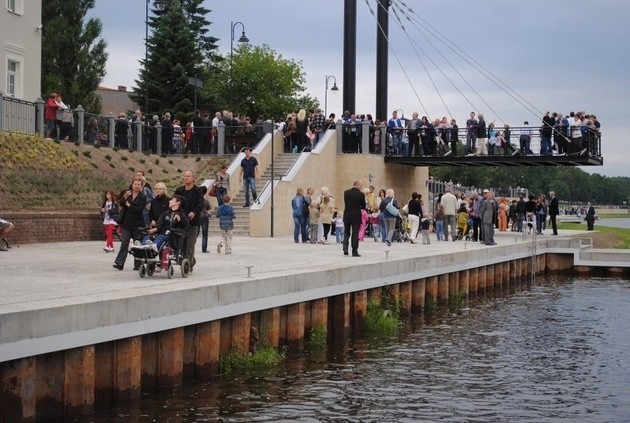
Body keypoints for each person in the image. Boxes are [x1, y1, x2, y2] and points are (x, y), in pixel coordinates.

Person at [113, 177, 147, 270]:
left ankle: (138, 264)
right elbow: (120, 203)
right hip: (126, 223)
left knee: (137, 245)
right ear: (132, 184)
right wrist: (125, 197)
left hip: (137, 224)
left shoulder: (143, 197)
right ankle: (119, 263)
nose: (136, 186)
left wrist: (129, 205)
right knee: (124, 243)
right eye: (135, 184)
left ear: (141, 186)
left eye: (138, 185)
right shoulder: (127, 193)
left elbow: (138, 209)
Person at [174, 170, 204, 270]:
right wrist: (177, 213)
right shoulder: (179, 190)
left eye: (188, 176)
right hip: (181, 223)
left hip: (193, 223)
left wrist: (194, 212)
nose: (186, 178)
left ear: (193, 178)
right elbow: (174, 203)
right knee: (181, 246)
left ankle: (188, 267)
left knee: (190, 246)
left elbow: (200, 204)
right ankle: (191, 261)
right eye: (185, 176)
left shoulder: (197, 191)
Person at [343, 180, 366, 256]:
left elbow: (346, 203)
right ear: (358, 185)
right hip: (356, 215)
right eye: (361, 186)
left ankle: (345, 248)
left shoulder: (346, 192)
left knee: (346, 232)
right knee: (355, 233)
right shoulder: (361, 194)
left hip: (347, 215)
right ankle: (354, 250)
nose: (361, 187)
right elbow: (363, 206)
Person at [199, 186, 211, 253]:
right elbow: (209, 208)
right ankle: (204, 249)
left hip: (198, 217)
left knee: (195, 233)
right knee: (205, 234)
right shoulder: (206, 200)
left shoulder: (196, 200)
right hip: (205, 217)